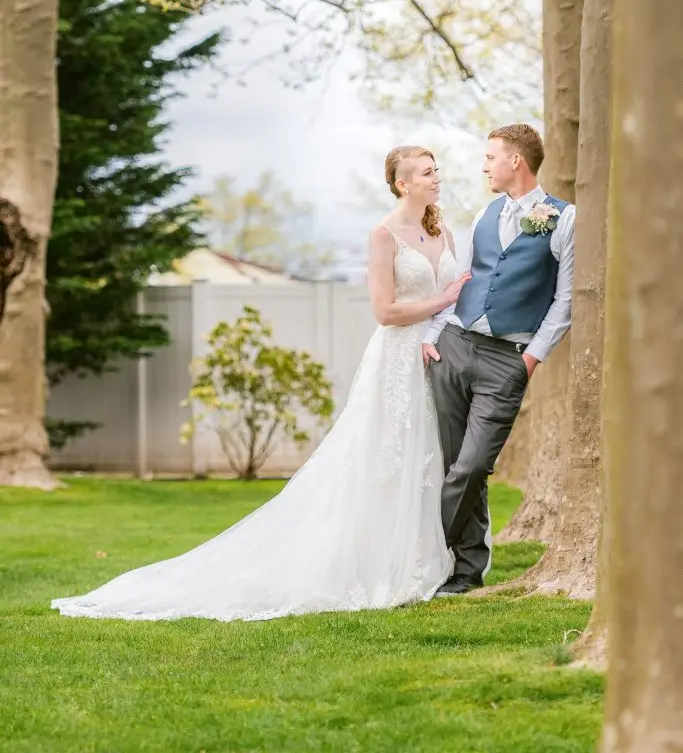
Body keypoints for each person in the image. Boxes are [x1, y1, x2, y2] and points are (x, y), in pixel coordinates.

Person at [52, 146, 470, 622]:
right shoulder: (383, 235)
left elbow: (456, 298)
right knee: (387, 456)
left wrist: (444, 318)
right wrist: (441, 301)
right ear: (402, 183)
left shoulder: (444, 232)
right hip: (396, 358)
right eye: (426, 172)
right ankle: (377, 563)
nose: (437, 178)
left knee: (428, 457)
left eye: (437, 170)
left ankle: (427, 559)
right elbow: (385, 311)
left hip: (437, 356)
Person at [422, 124, 575, 596]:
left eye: (491, 157)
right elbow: (464, 281)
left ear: (517, 162)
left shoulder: (565, 219)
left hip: (506, 359)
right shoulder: (486, 213)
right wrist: (434, 334)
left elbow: (565, 301)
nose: (484, 166)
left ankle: (423, 552)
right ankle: (464, 572)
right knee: (453, 463)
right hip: (454, 345)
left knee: (472, 467)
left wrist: (529, 359)